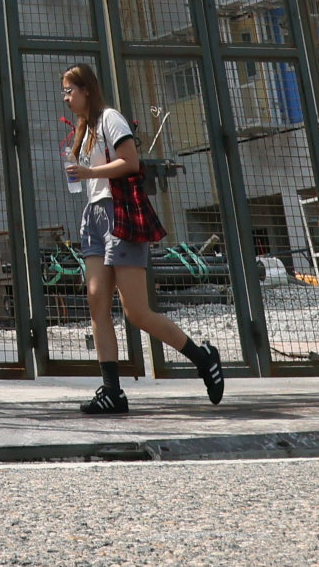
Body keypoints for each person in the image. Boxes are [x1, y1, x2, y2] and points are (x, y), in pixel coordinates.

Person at [59, 60, 223, 414]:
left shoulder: (109, 118)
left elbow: (130, 162)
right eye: (63, 92)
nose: (65, 98)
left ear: (86, 89)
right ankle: (112, 391)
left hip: (119, 212)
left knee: (136, 311)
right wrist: (80, 169)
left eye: (69, 90)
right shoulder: (84, 130)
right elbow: (86, 178)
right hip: (93, 216)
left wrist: (88, 169)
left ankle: (202, 357)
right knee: (96, 302)